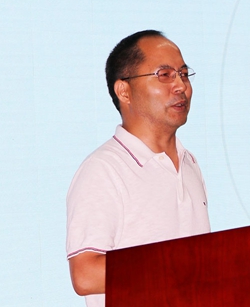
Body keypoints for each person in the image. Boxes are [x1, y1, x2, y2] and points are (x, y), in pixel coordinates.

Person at [65, 30, 210, 307]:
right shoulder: (103, 170)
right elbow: (85, 274)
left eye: (183, 74)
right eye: (165, 75)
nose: (180, 86)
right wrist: (180, 265)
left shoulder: (189, 162)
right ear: (124, 91)